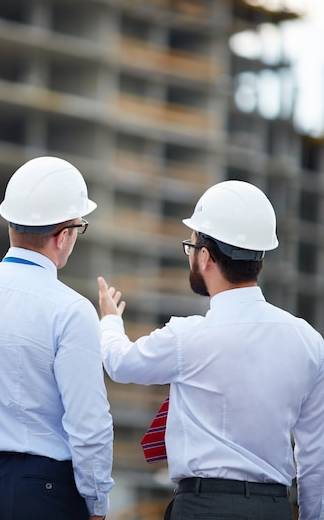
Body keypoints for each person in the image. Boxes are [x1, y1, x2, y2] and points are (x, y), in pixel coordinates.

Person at [98, 180, 324, 520]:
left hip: (203, 507)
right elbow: (316, 454)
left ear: (205, 256)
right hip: (273, 509)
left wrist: (110, 321)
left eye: (190, 246)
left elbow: (120, 363)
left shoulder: (187, 336)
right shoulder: (308, 340)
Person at [0, 156, 113, 520]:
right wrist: (97, 500)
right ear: (64, 236)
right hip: (45, 492)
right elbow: (88, 423)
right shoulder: (71, 310)